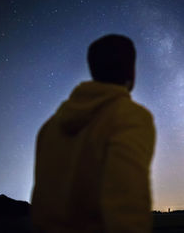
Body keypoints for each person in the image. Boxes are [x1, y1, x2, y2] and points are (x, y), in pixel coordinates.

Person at [31, 35, 156, 232]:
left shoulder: (49, 127)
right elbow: (126, 204)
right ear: (132, 70)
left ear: (93, 69)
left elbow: (41, 202)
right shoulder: (130, 117)